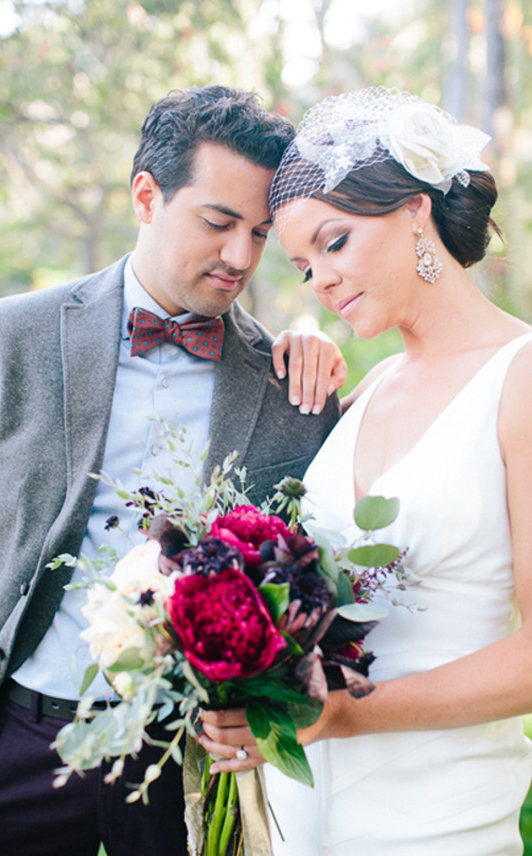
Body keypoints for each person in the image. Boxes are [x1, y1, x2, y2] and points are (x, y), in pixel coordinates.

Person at [0, 85, 344, 856]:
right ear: (146, 196)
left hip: (190, 772)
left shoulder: (292, 389)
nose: (240, 257)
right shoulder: (10, 337)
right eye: (217, 223)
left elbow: (310, 588)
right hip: (8, 745)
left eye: (259, 234)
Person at [198, 86, 532, 855]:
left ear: (415, 210)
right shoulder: (370, 387)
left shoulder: (518, 378)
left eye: (335, 242)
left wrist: (344, 713)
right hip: (302, 814)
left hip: (438, 822)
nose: (320, 279)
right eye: (303, 265)